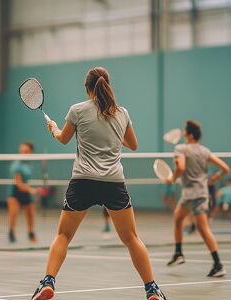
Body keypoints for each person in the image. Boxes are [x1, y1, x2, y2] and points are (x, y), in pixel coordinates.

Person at [31, 67, 167, 300]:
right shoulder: (122, 113)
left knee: (63, 235)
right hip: (113, 183)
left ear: (87, 88)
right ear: (107, 85)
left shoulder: (77, 110)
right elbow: (133, 145)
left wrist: (53, 128)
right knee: (131, 238)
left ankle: (48, 282)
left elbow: (63, 139)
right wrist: (114, 132)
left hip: (82, 181)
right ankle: (151, 288)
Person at [166, 120, 229, 277]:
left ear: (190, 134)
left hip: (189, 194)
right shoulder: (204, 150)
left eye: (185, 130)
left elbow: (180, 168)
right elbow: (225, 168)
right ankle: (217, 264)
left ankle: (179, 253)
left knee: (178, 220)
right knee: (201, 228)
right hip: (202, 194)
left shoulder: (181, 148)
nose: (183, 132)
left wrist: (171, 178)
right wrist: (215, 178)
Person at [7, 142, 37, 243]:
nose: (23, 153)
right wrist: (31, 190)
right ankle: (11, 232)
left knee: (30, 214)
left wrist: (29, 189)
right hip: (15, 191)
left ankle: (31, 233)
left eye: (26, 151)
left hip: (26, 190)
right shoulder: (16, 164)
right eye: (22, 151)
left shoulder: (29, 163)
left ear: (30, 152)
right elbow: (19, 183)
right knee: (13, 213)